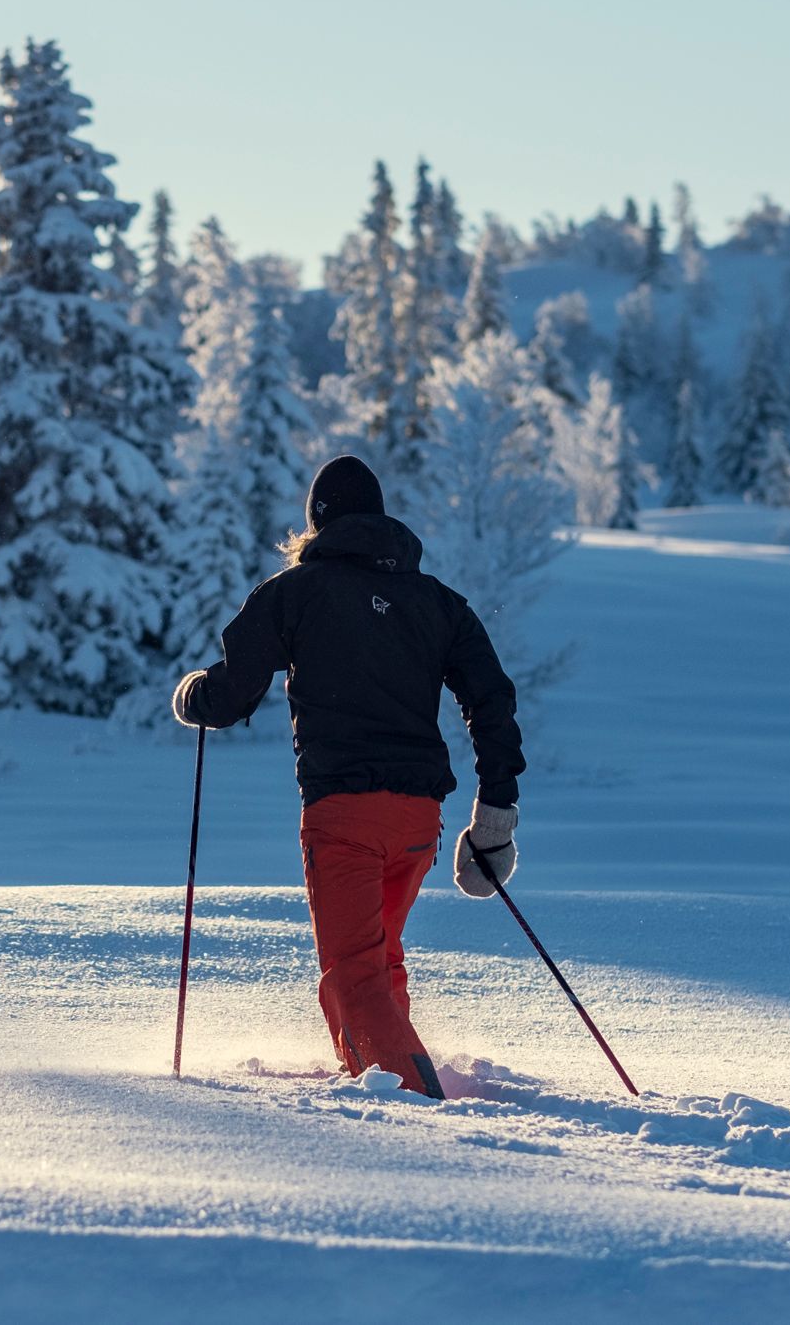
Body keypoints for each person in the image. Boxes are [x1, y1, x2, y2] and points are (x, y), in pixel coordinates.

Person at [171, 454, 522, 1099]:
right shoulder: (439, 604)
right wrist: (494, 818)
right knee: (379, 956)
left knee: (353, 972)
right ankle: (390, 1073)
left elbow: (229, 696)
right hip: (417, 820)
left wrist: (195, 694)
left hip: (343, 815)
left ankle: (411, 1101)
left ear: (317, 525)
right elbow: (492, 701)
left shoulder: (294, 593)